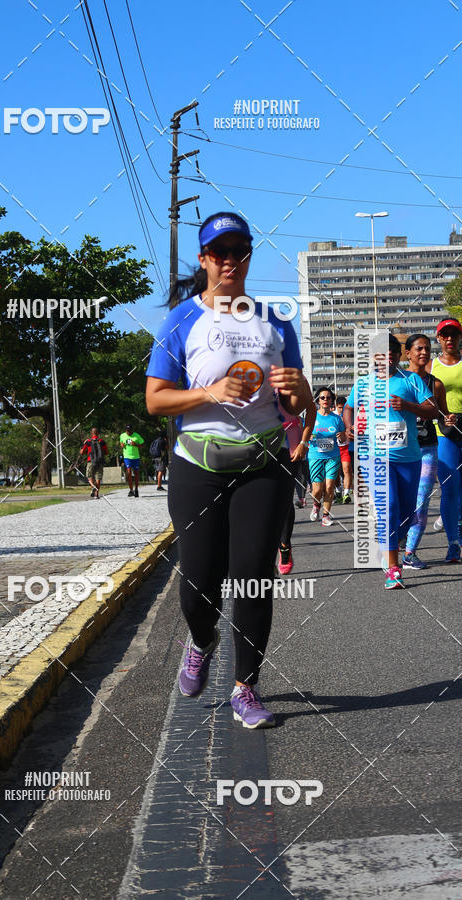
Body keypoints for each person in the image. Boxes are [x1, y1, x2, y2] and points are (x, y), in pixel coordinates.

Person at [145, 211, 311, 728]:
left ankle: (246, 687)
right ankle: (200, 640)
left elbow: (299, 402)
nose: (230, 261)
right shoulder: (181, 320)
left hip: (262, 463)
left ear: (248, 257)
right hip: (198, 464)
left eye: (240, 251)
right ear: (204, 259)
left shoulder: (275, 321)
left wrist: (299, 393)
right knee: (198, 583)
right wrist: (209, 393)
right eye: (220, 252)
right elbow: (155, 400)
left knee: (253, 579)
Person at [343, 333, 435, 589]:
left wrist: (408, 405)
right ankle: (393, 567)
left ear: (399, 355)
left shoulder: (412, 380)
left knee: (408, 513)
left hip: (408, 457)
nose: (389, 356)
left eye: (393, 351)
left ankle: (390, 543)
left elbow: (432, 409)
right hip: (375, 457)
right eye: (383, 352)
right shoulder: (363, 384)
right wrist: (349, 427)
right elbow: (349, 408)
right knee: (389, 506)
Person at [402, 335, 452, 568]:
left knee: (421, 501)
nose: (424, 352)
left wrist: (448, 420)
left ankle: (409, 552)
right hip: (399, 450)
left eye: (427, 349)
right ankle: (394, 545)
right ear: (407, 353)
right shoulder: (397, 381)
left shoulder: (436, 385)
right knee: (398, 502)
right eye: (418, 348)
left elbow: (442, 419)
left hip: (427, 448)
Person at [427, 318, 462, 563]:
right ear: (438, 338)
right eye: (444, 335)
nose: (449, 338)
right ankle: (453, 544)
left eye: (454, 334)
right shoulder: (430, 366)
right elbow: (420, 399)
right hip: (443, 432)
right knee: (450, 489)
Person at [277, 391, 316, 574]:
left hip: (290, 445)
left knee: (283, 499)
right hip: (256, 445)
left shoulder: (289, 372)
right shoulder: (248, 369)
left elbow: (311, 408)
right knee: (261, 502)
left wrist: (304, 443)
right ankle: (265, 552)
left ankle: (284, 546)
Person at [308, 387, 345, 526]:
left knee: (329, 486)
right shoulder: (312, 416)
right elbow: (304, 433)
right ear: (318, 400)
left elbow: (342, 438)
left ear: (332, 400)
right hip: (315, 456)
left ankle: (325, 516)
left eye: (328, 398)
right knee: (317, 490)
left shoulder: (337, 419)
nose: (325, 400)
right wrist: (308, 436)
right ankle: (316, 505)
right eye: (322, 398)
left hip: (333, 456)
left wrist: (342, 436)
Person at [334, 395, 353, 504]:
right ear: (336, 407)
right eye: (339, 407)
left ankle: (346, 494)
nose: (341, 409)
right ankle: (338, 490)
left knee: (347, 469)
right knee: (336, 473)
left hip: (345, 448)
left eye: (343, 407)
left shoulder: (349, 416)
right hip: (334, 449)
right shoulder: (333, 417)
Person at [79, 427, 108, 499]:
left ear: (91, 433)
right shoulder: (102, 441)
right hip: (100, 462)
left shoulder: (88, 441)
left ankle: (93, 487)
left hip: (90, 461)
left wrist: (86, 451)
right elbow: (106, 452)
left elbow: (82, 452)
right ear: (98, 433)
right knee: (98, 477)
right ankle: (96, 495)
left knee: (90, 476)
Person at [120, 424, 144, 497]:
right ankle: (131, 490)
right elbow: (121, 442)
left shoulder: (137, 436)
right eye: (127, 431)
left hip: (136, 457)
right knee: (129, 472)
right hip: (127, 456)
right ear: (125, 430)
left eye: (130, 431)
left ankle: (136, 489)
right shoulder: (122, 435)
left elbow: (142, 444)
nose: (128, 432)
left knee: (136, 473)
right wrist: (122, 445)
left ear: (132, 430)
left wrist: (136, 444)